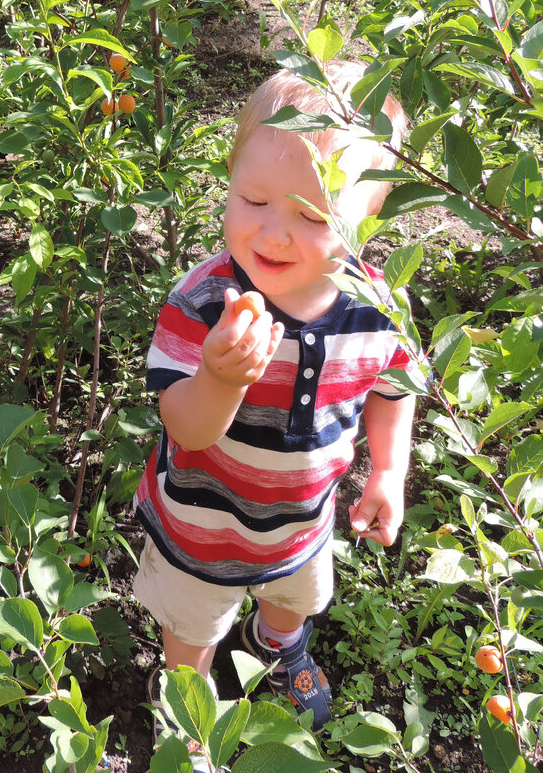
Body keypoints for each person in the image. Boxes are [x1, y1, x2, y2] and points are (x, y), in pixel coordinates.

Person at [133, 61, 420, 750]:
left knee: (293, 597)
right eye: (253, 201)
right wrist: (221, 378)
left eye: (312, 214)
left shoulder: (378, 309)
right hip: (202, 528)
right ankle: (191, 718)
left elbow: (394, 387)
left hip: (300, 523)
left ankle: (277, 643)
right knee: (192, 632)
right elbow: (184, 425)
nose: (272, 233)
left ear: (369, 215)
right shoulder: (203, 303)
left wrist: (388, 472)